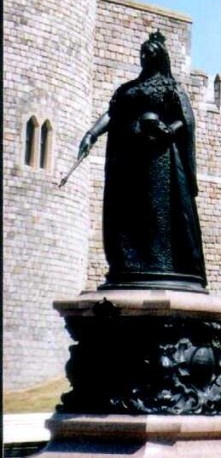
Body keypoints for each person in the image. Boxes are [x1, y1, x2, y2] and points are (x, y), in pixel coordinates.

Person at [76, 30, 206, 292]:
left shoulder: (169, 87)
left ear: (159, 57)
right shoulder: (128, 89)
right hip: (128, 159)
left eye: (148, 54)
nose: (144, 58)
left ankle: (159, 261)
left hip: (159, 160)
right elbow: (112, 115)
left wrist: (167, 131)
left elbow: (185, 120)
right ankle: (130, 262)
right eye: (142, 54)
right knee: (128, 211)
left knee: (156, 211)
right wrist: (92, 134)